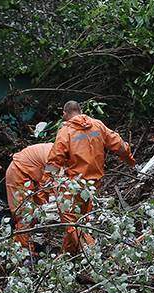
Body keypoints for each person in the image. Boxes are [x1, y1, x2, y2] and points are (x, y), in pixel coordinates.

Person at [47, 101, 135, 253]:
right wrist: (130, 160)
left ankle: (91, 254)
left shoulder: (66, 131)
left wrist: (48, 182)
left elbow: (55, 160)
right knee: (81, 220)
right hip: (94, 185)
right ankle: (69, 255)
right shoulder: (97, 126)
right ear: (80, 110)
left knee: (72, 222)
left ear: (64, 114)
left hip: (75, 186)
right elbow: (119, 144)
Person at [5, 143, 53, 250]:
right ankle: (24, 251)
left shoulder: (64, 154)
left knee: (38, 213)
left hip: (35, 178)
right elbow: (48, 185)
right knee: (24, 216)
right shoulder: (56, 156)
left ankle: (33, 245)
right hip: (18, 172)